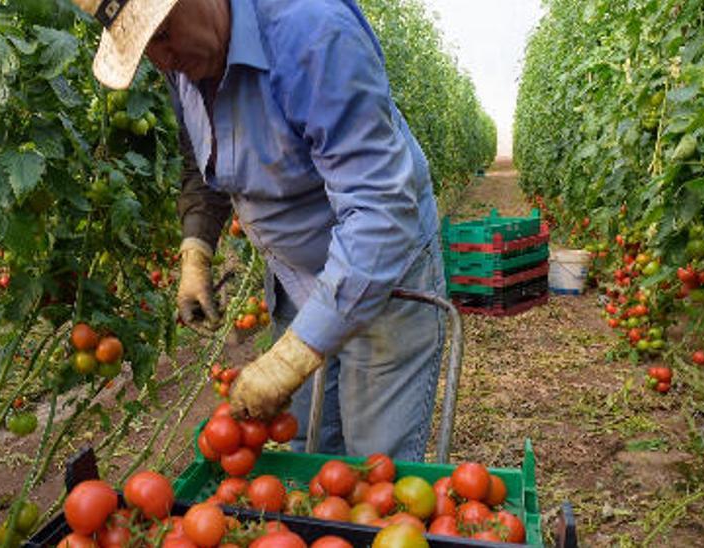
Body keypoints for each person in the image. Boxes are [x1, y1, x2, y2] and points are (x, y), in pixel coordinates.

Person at [70, 0, 445, 460]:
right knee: (310, 453)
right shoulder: (184, 64)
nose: (165, 60)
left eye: (164, 32)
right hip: (296, 279)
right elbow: (202, 160)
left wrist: (296, 354)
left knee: (375, 464)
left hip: (383, 277)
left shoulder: (312, 32)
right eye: (148, 46)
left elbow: (380, 210)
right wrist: (196, 251)